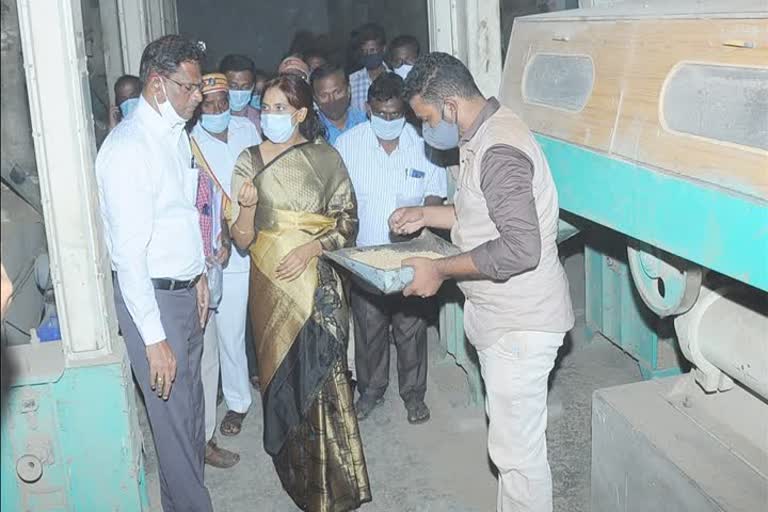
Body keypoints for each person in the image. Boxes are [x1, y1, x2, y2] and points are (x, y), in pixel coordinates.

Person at [390, 52, 575, 511]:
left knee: (518, 457)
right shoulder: (482, 135)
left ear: (451, 106)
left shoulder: (498, 151)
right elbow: (483, 217)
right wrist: (427, 215)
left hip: (521, 322)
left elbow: (519, 248)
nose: (424, 129)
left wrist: (439, 269)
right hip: (506, 317)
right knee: (512, 445)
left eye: (426, 119)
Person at [229, 74, 370, 511]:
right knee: (283, 384)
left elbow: (347, 221)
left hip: (320, 285)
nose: (270, 116)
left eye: (279, 109)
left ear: (300, 114)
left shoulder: (325, 158)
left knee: (324, 375)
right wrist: (247, 209)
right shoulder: (246, 162)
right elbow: (240, 240)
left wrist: (312, 248)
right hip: (270, 290)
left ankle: (337, 485)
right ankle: (299, 479)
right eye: (265, 108)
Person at [95, 35, 214, 512]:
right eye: (191, 87)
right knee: (174, 429)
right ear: (158, 85)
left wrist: (200, 273)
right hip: (155, 304)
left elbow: (181, 215)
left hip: (185, 293)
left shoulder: (175, 135)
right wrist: (152, 337)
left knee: (186, 421)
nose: (200, 95)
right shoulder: (128, 149)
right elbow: (129, 256)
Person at [335, 73, 447, 424]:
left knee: (410, 326)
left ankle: (414, 395)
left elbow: (434, 193)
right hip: (366, 255)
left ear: (406, 112)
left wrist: (422, 217)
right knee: (368, 327)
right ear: (367, 109)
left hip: (411, 252)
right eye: (381, 114)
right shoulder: (347, 145)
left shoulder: (422, 142)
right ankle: (371, 391)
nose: (388, 121)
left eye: (395, 114)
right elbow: (340, 201)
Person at [192, 73, 261, 440]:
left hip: (251, 239)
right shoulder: (190, 141)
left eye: (221, 101)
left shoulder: (246, 130)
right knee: (219, 332)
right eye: (209, 103)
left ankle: (245, 395)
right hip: (217, 248)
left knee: (245, 327)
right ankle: (227, 402)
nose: (217, 109)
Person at [311, 63, 367, 145]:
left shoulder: (366, 123)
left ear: (348, 90)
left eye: (337, 92)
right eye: (324, 96)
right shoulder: (311, 132)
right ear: (315, 98)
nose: (332, 100)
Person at [349, 23, 388, 111]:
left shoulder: (395, 79)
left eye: (372, 50)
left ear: (383, 49)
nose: (368, 55)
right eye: (364, 51)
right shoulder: (352, 81)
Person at [220, 54, 261, 133]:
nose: (239, 92)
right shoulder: (210, 117)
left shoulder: (259, 120)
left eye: (245, 87)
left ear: (253, 86)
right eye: (232, 86)